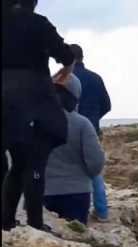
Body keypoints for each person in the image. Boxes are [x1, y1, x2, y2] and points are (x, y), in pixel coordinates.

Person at [2, 0, 75, 231]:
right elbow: (65, 53)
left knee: (16, 162)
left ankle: (6, 221)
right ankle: (35, 223)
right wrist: (67, 70)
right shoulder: (38, 23)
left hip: (4, 100)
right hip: (33, 96)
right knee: (35, 161)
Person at [44, 74, 105, 225]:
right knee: (74, 241)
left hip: (41, 193)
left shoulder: (35, 121)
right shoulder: (82, 124)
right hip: (76, 194)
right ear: (75, 96)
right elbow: (96, 164)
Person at [69, 44, 111, 222]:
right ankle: (101, 212)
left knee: (65, 168)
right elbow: (107, 105)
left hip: (66, 129)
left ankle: (70, 213)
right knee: (95, 171)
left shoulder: (63, 79)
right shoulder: (96, 78)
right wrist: (93, 119)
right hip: (91, 129)